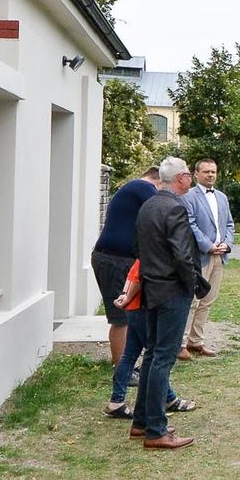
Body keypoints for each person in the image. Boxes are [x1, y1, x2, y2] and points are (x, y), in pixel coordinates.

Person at [129, 157, 207, 451]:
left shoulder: (148, 205)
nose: (189, 179)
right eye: (188, 174)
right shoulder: (174, 207)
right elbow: (181, 253)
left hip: (152, 287)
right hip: (172, 290)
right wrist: (192, 284)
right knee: (163, 356)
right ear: (181, 178)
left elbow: (138, 248)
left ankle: (142, 422)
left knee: (152, 355)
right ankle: (156, 430)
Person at [90, 166, 160, 416]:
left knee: (128, 316)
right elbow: (160, 211)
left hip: (117, 258)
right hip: (114, 260)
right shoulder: (144, 187)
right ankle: (122, 368)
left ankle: (126, 368)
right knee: (121, 317)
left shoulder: (134, 189)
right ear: (158, 179)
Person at [110, 262, 196, 415]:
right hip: (140, 309)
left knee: (130, 355)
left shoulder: (142, 255)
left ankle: (116, 401)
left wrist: (125, 297)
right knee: (155, 356)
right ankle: (169, 399)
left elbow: (131, 279)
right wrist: (128, 298)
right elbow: (137, 280)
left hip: (133, 309)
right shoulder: (147, 255)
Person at [180, 158, 233, 359]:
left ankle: (196, 341)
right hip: (200, 256)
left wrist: (226, 245)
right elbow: (190, 224)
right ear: (196, 174)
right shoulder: (189, 197)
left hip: (220, 256)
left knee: (208, 301)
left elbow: (229, 224)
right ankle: (180, 343)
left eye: (213, 172)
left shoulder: (222, 197)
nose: (210, 175)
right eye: (206, 172)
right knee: (192, 301)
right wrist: (208, 246)